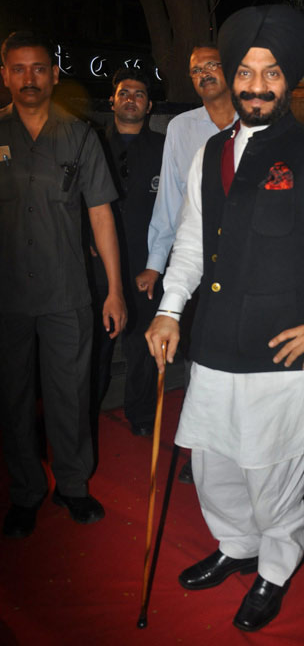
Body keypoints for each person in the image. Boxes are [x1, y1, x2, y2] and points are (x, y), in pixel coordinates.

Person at [145, 5, 304, 631]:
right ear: (231, 76)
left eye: (271, 73)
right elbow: (189, 244)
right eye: (245, 71)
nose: (256, 85)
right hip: (212, 348)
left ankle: (275, 569)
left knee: (274, 478)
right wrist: (170, 310)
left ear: (289, 81)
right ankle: (237, 546)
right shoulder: (209, 154)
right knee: (213, 467)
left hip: (282, 359)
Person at [0, 31, 127, 539]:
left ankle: (73, 485)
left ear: (54, 75)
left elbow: (101, 216)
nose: (29, 78)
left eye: (38, 68)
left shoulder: (79, 136)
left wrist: (114, 290)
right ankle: (25, 491)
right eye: (18, 68)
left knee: (71, 395)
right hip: (7, 297)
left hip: (67, 293)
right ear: (4, 75)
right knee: (12, 397)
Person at [136, 44, 236, 479]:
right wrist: (156, 261)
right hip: (197, 261)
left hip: (247, 260)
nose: (205, 74)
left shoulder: (255, 121)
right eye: (197, 69)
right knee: (199, 357)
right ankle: (200, 449)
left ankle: (237, 446)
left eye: (213, 65)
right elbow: (170, 200)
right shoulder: (181, 127)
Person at [91, 67, 164, 436]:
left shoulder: (165, 148)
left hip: (145, 262)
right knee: (95, 347)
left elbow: (173, 209)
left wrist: (158, 263)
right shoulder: (91, 143)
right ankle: (85, 414)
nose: (131, 99)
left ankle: (142, 415)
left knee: (141, 346)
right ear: (112, 101)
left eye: (139, 94)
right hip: (95, 263)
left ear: (149, 105)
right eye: (124, 93)